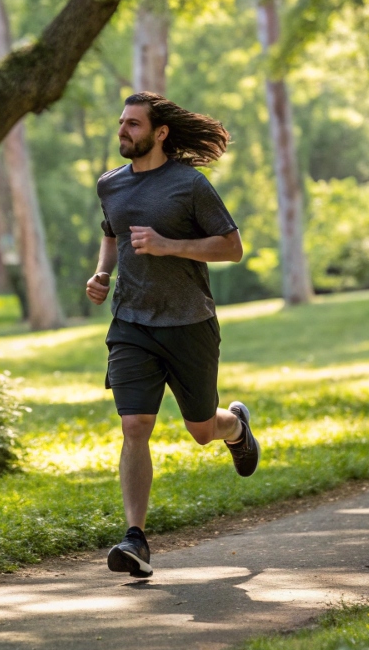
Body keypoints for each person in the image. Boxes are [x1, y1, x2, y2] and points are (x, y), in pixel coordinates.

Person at [85, 91, 260, 578]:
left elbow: (232, 248)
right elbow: (112, 233)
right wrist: (103, 274)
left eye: (134, 125)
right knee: (135, 426)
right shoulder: (110, 185)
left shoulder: (189, 185)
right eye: (121, 123)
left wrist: (168, 246)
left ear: (160, 133)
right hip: (131, 323)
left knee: (201, 430)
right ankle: (135, 539)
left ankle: (236, 428)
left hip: (189, 323)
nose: (123, 131)